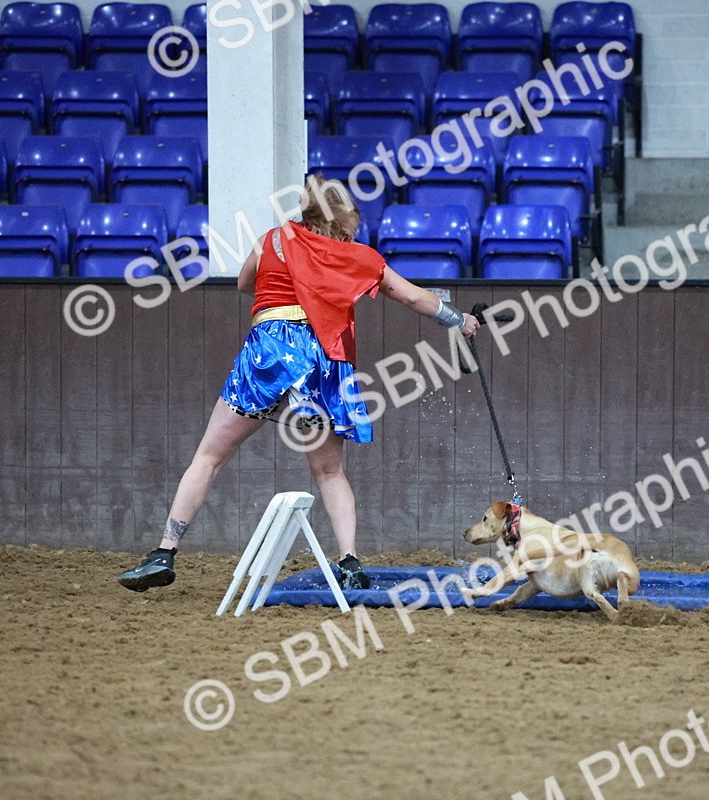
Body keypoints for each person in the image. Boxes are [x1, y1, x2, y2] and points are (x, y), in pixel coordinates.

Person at [117, 176, 480, 592]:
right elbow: (414, 297)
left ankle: (164, 551)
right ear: (347, 220)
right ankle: (349, 562)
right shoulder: (357, 256)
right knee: (329, 472)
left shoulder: (273, 239)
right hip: (324, 359)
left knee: (210, 457)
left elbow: (243, 283)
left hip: (269, 348)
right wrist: (459, 319)